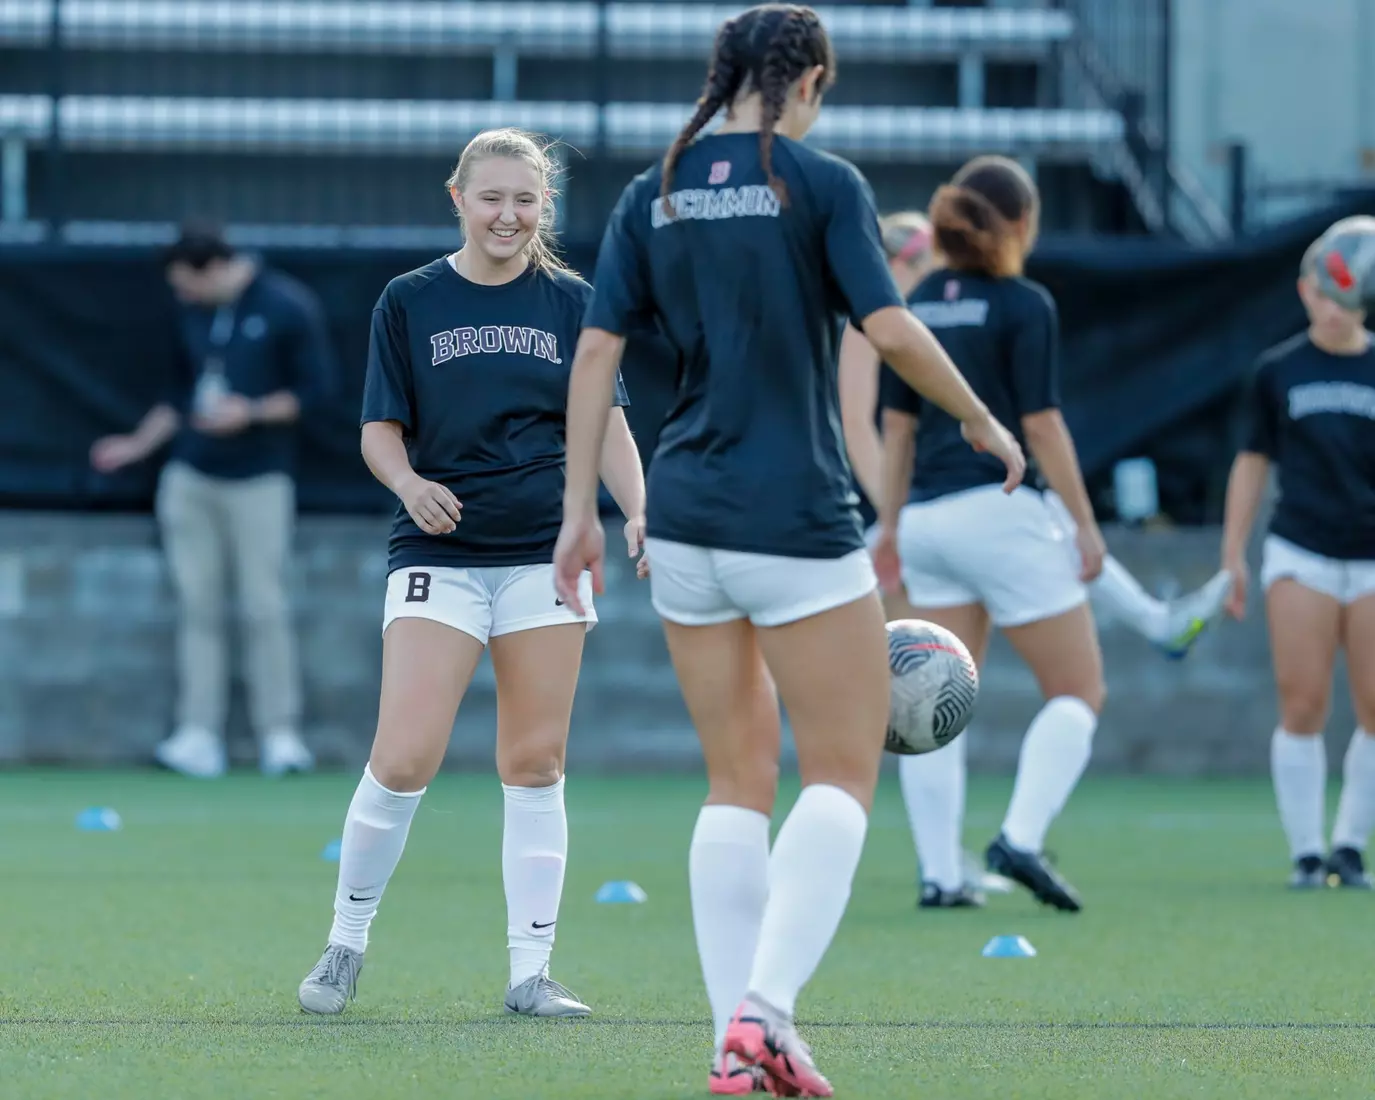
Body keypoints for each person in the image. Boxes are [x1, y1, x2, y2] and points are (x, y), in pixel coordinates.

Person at [550, 6, 1024, 1095]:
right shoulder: (819, 182)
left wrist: (581, 508)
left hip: (681, 515)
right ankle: (762, 1012)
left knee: (734, 781)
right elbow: (892, 327)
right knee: (847, 768)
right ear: (804, 77)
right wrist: (980, 419)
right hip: (794, 515)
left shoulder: (652, 188)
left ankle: (741, 1041)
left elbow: (592, 356)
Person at [295, 128, 648, 1018]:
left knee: (535, 762)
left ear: (546, 208)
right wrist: (409, 483)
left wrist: (639, 511)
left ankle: (530, 972)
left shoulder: (575, 301)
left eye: (525, 200)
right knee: (404, 756)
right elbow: (381, 429)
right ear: (457, 197)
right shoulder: (407, 300)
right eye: (491, 197)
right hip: (439, 561)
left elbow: (603, 423)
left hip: (546, 555)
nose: (508, 215)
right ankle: (345, 943)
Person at [871, 157, 1106, 914]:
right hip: (998, 511)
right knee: (1078, 690)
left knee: (931, 699)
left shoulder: (910, 307)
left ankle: (940, 875)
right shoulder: (1023, 303)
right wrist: (1084, 524)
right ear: (1018, 226)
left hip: (928, 523)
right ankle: (1020, 838)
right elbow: (1040, 424)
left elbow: (895, 432)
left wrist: (890, 524)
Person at [840, 211, 1231, 657]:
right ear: (896, 268)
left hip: (923, 512)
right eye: (930, 264)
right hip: (898, 522)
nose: (944, 279)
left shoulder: (924, 323)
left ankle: (1157, 622)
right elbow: (859, 426)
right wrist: (898, 513)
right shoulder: (876, 323)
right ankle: (1156, 623)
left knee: (944, 677)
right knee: (924, 678)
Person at [90, 224, 334, 779]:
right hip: (190, 477)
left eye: (188, 284)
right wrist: (134, 446)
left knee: (263, 605)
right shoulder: (191, 313)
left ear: (214, 268)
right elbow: (178, 396)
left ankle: (281, 735)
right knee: (197, 607)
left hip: (261, 480)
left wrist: (248, 412)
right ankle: (198, 733)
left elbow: (318, 392)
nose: (183, 296)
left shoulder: (288, 305)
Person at [1220, 215, 1375, 891]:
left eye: (1344, 297)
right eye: (1320, 293)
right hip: (1300, 550)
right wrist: (1232, 554)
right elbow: (1251, 464)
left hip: (1370, 555)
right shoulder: (1277, 370)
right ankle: (1306, 852)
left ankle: (1349, 845)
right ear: (1303, 290)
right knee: (1302, 702)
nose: (1330, 309)